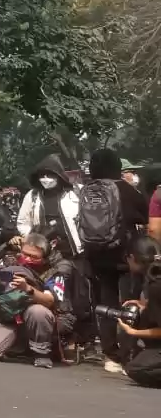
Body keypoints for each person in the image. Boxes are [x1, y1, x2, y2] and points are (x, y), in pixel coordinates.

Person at [84, 149, 149, 373]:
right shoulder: (126, 190)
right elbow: (144, 215)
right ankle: (127, 353)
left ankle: (109, 354)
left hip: (97, 255)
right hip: (125, 255)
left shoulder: (87, 189)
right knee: (129, 304)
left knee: (106, 306)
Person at [0, 233, 75, 369]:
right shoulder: (8, 262)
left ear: (44, 256)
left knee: (38, 312)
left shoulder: (55, 271)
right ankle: (18, 347)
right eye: (25, 254)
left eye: (34, 257)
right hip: (9, 316)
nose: (27, 259)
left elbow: (50, 301)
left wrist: (27, 288)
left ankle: (42, 352)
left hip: (38, 317)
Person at [17, 155, 81, 258]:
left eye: (50, 175)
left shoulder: (74, 192)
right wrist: (34, 239)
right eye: (42, 175)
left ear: (58, 175)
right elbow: (22, 222)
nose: (45, 179)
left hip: (75, 251)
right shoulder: (32, 195)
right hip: (45, 254)